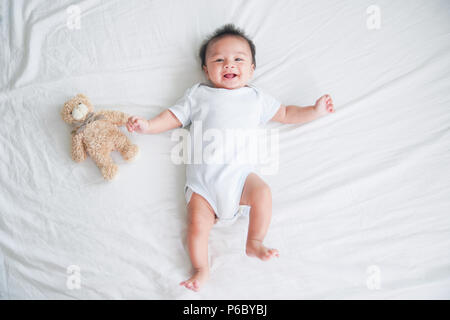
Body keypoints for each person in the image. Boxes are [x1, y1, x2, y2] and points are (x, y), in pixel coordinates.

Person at [126, 24, 335, 292]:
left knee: (263, 193)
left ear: (251, 69)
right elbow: (172, 117)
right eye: (218, 60)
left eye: (238, 59)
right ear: (205, 69)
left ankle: (254, 241)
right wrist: (148, 126)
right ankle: (201, 268)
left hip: (240, 180)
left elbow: (285, 113)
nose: (229, 65)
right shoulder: (198, 94)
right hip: (203, 186)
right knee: (197, 226)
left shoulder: (256, 97)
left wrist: (313, 111)